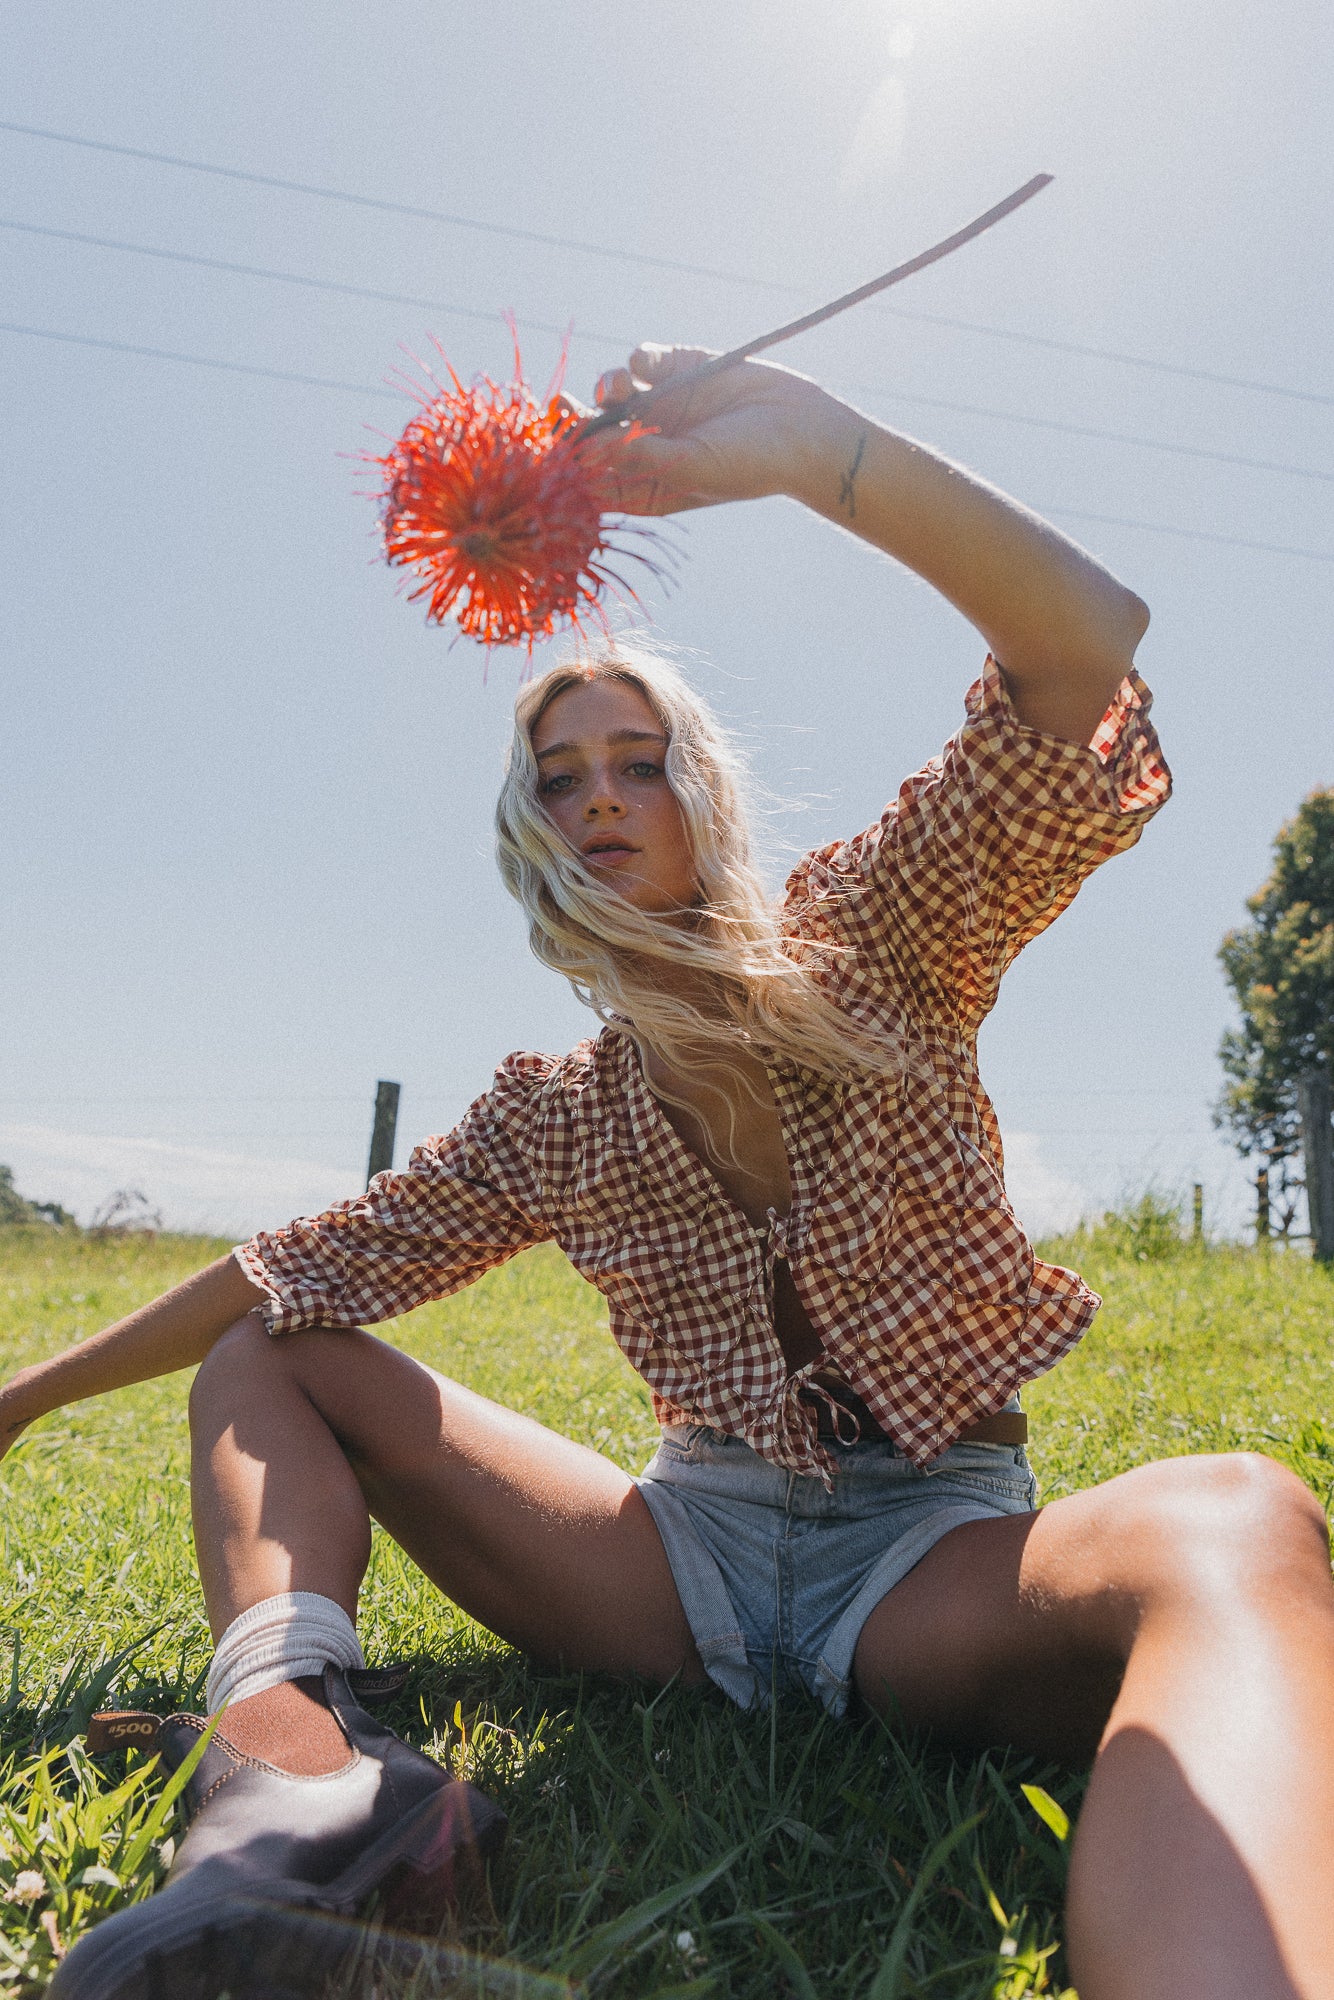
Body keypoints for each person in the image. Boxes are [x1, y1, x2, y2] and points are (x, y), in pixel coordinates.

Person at [8, 346, 1334, 2000]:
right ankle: (300, 1765)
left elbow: (1083, 650)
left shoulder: (889, 937)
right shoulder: (551, 1116)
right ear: (529, 841)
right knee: (274, 1347)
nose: (600, 797)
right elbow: (289, 1273)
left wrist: (808, 452)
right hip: (675, 1563)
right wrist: (18, 1401)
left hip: (924, 1563)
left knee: (1238, 1516)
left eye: (635, 759)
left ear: (700, 790)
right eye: (559, 780)